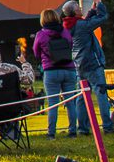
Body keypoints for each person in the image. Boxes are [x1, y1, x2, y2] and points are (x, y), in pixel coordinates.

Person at [32, 9, 82, 137]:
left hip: (51, 71)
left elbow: (36, 53)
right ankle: (72, 131)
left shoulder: (41, 34)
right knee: (70, 102)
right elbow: (70, 45)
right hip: (69, 69)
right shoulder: (65, 31)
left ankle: (51, 133)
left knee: (53, 103)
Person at [69, 0, 114, 133]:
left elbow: (85, 21)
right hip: (92, 63)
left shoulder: (70, 25)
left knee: (82, 97)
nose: (80, 8)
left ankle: (83, 127)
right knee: (101, 92)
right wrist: (100, 3)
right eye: (78, 7)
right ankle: (107, 125)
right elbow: (102, 17)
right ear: (75, 12)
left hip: (79, 64)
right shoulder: (82, 26)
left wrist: (92, 9)